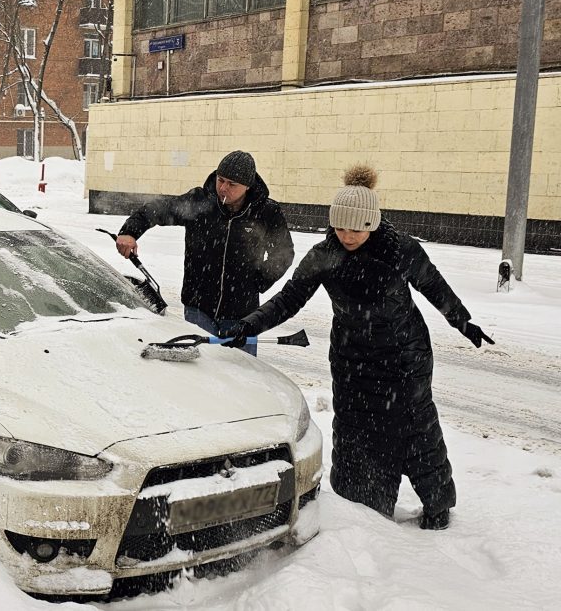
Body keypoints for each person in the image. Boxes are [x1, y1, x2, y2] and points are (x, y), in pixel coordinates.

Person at [219, 164, 494, 530]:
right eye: (340, 227)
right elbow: (289, 299)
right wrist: (250, 324)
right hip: (351, 357)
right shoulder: (324, 255)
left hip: (403, 356)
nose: (346, 235)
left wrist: (463, 321)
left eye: (355, 228)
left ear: (371, 224)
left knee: (414, 426)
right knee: (354, 429)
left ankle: (436, 503)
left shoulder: (399, 249)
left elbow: (434, 286)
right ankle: (362, 507)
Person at [115, 150, 294, 356]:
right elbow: (157, 209)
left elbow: (283, 252)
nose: (223, 188)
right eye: (221, 180)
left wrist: (257, 282)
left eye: (232, 184)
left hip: (242, 313)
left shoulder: (266, 211)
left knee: (240, 374)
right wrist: (130, 232)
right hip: (198, 306)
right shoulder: (200, 202)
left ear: (248, 185)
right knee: (200, 370)